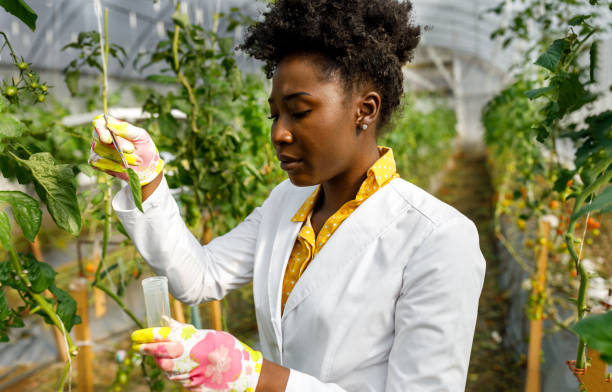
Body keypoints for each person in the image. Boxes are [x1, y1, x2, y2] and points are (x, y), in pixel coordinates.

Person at [89, 0, 486, 391]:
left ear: (364, 110)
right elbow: (200, 278)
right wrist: (147, 182)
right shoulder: (285, 203)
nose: (279, 133)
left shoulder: (438, 238)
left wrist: (254, 375)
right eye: (274, 114)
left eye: (300, 111)